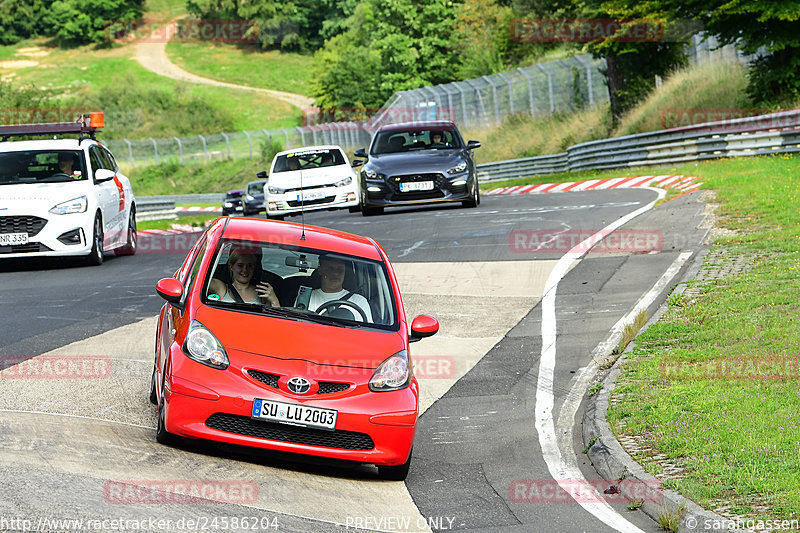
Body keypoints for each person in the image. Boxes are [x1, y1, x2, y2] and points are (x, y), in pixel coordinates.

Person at [308, 254, 373, 322]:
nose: (335, 274)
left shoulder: (359, 301)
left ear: (345, 272)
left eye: (340, 269)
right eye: (330, 269)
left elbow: (368, 331)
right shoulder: (307, 298)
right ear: (320, 270)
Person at [208, 249, 280, 306]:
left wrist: (274, 300)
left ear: (253, 268)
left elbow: (276, 321)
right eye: (240, 265)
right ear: (231, 267)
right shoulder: (222, 288)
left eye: (249, 266)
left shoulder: (263, 293)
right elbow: (199, 280)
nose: (245, 270)